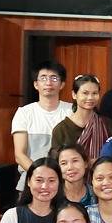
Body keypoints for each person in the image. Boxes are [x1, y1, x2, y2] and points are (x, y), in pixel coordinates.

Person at [11, 60, 69, 190]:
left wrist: (55, 177)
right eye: (43, 78)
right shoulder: (24, 113)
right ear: (35, 84)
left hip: (65, 181)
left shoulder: (71, 111)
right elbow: (19, 155)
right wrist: (42, 176)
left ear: (62, 84)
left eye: (54, 78)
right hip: (32, 179)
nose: (48, 83)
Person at [51, 73, 112, 160]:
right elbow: (56, 161)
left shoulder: (108, 125)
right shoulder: (61, 129)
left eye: (95, 93)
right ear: (74, 94)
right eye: (85, 93)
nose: (90, 97)